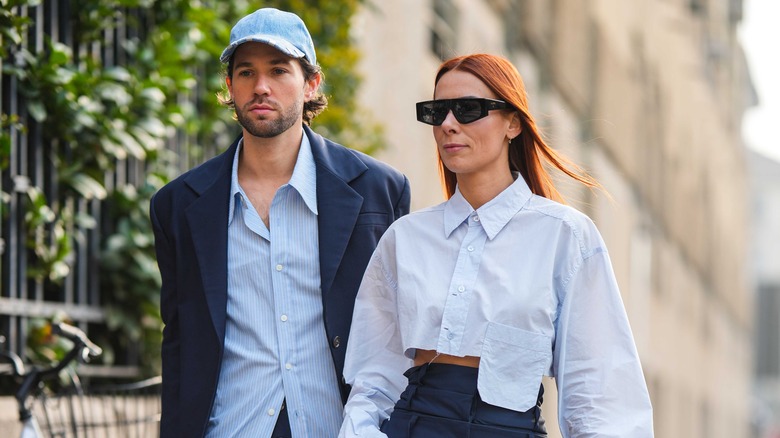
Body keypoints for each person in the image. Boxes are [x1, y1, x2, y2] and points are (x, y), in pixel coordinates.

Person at [339, 53, 653, 438]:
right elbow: (373, 379)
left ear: (513, 123)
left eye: (468, 109)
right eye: (438, 112)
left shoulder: (565, 237)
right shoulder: (405, 239)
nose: (449, 125)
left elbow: (602, 394)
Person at [150, 8, 410, 438]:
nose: (261, 87)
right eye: (246, 72)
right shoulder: (178, 205)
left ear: (311, 84)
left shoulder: (378, 190)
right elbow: (179, 344)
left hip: (339, 427)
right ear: (229, 87)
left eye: (278, 70)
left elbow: (394, 329)